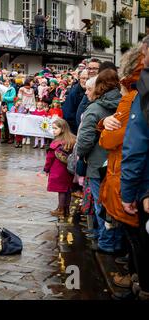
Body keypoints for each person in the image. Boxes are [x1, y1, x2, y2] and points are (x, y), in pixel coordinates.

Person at [96, 46, 143, 291]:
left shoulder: (131, 98)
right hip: (128, 173)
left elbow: (111, 140)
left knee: (135, 237)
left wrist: (104, 127)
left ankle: (137, 279)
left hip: (127, 175)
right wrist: (105, 122)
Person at [77, 69, 122, 254]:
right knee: (116, 205)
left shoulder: (95, 108)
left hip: (98, 164)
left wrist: (80, 154)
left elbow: (84, 141)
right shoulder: (125, 104)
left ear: (99, 87)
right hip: (118, 163)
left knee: (101, 205)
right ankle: (117, 243)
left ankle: (106, 243)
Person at [119, 35, 149, 300]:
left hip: (144, 188)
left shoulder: (140, 95)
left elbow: (135, 146)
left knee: (142, 242)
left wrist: (130, 192)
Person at [43, 118, 76, 216]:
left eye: (55, 128)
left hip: (58, 170)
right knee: (67, 190)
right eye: (52, 128)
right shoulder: (72, 139)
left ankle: (60, 209)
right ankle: (66, 209)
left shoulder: (55, 143)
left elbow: (50, 158)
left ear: (62, 129)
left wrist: (46, 169)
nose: (53, 130)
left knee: (61, 190)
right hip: (69, 170)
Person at [76, 58, 102, 128]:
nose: (91, 71)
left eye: (94, 68)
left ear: (100, 70)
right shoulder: (89, 83)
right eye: (89, 68)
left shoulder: (101, 85)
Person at [63, 70, 88, 134]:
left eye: (88, 79)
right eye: (83, 78)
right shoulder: (74, 92)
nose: (85, 81)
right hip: (76, 129)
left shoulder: (92, 90)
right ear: (79, 79)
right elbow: (68, 114)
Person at [17, 78, 36, 145]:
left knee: (29, 124)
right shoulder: (22, 89)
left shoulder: (32, 90)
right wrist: (22, 107)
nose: (33, 83)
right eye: (32, 82)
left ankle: (28, 138)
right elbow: (19, 98)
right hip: (23, 108)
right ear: (28, 82)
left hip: (30, 108)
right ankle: (23, 138)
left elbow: (33, 100)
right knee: (22, 123)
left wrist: (34, 108)